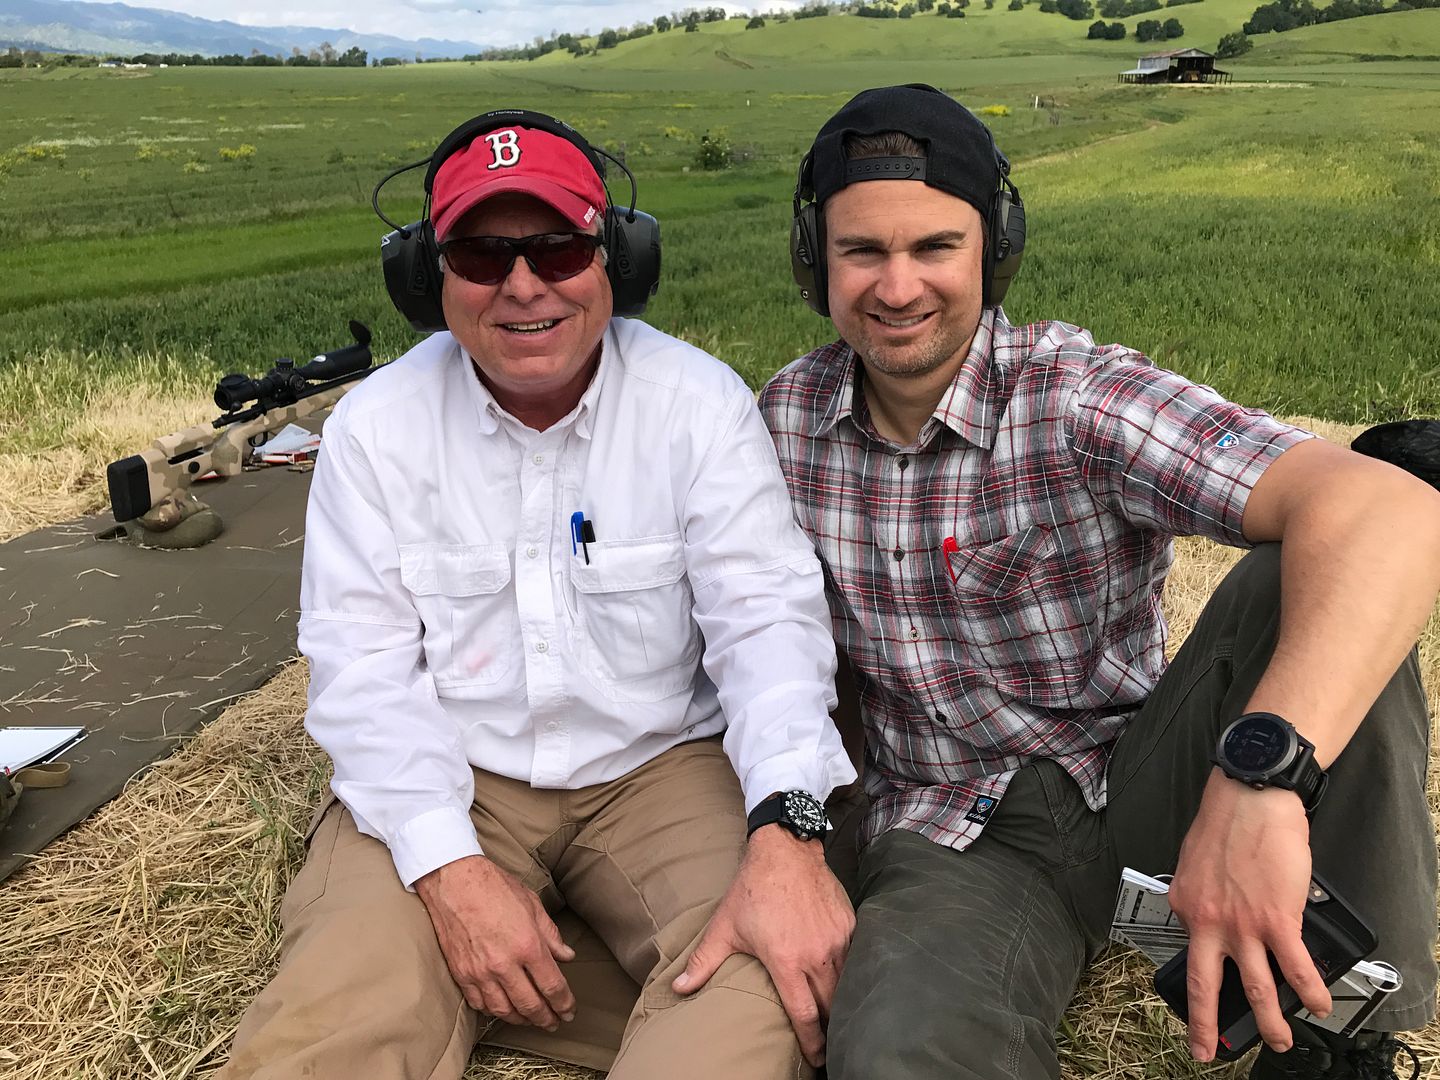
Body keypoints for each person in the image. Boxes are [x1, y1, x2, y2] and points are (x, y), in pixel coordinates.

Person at [760, 83, 1440, 1080]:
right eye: (863, 250)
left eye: (934, 247)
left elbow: (1389, 508)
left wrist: (1262, 780)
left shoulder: (1077, 397)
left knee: (1307, 573)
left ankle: (1340, 1038)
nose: (897, 286)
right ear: (815, 261)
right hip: (951, 833)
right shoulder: (778, 426)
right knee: (899, 1053)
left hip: (1141, 783)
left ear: (994, 250)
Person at [222, 110, 857, 1080]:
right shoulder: (375, 430)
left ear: (617, 260)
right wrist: (447, 868)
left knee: (766, 976)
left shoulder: (698, 405)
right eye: (480, 254)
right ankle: (465, 968)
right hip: (452, 767)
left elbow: (766, 625)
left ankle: (505, 990)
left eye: (558, 246)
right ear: (427, 280)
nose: (523, 285)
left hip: (663, 769)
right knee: (336, 1021)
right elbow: (364, 676)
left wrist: (787, 827)